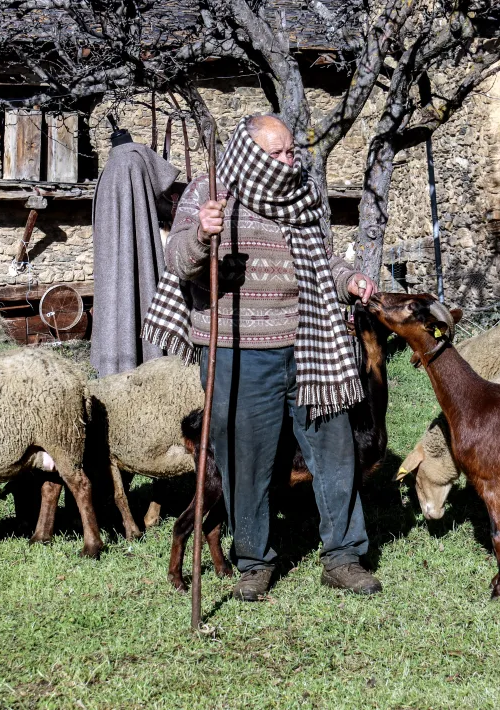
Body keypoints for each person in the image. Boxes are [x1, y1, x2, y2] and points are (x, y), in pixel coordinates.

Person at [143, 114, 382, 601]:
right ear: (251, 153)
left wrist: (348, 279)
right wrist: (200, 235)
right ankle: (253, 561)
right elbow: (178, 261)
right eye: (276, 153)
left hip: (310, 341)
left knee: (334, 449)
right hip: (238, 350)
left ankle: (344, 556)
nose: (288, 159)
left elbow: (321, 257)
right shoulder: (210, 193)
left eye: (290, 150)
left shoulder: (302, 193)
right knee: (244, 458)